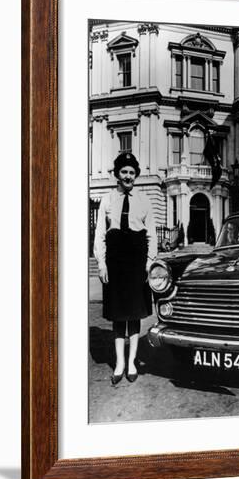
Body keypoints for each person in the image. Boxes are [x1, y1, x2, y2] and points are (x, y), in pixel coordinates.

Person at [94, 152, 157, 385]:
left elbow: (151, 234)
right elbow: (100, 233)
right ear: (117, 175)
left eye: (132, 172)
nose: (128, 176)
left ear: (136, 175)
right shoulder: (107, 199)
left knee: (135, 314)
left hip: (137, 263)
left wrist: (149, 262)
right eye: (124, 172)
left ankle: (132, 362)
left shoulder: (144, 200)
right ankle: (119, 362)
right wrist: (101, 263)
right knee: (118, 316)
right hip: (116, 263)